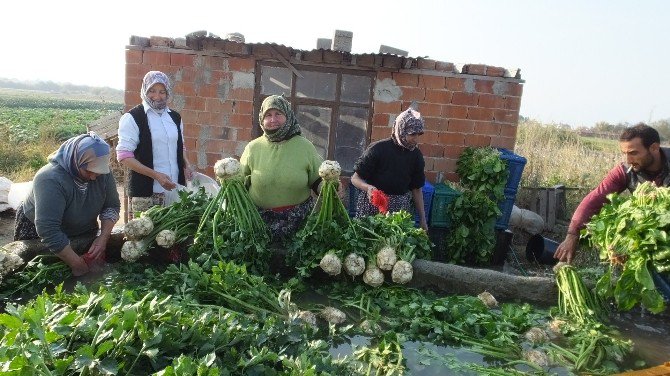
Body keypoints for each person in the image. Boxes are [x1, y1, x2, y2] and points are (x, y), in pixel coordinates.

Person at [555, 123, 670, 263]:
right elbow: (595, 199)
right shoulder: (625, 171)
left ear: (654, 148)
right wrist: (572, 234)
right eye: (625, 154)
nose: (628, 160)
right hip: (651, 234)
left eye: (633, 153)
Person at [13, 133, 120, 276]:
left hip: (82, 226)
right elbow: (48, 229)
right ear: (77, 161)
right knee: (40, 274)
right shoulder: (49, 179)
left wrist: (103, 238)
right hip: (39, 231)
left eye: (98, 172)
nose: (94, 177)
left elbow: (111, 206)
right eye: (88, 171)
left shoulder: (103, 173)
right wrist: (77, 263)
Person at [240, 95, 323, 242]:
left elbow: (317, 181)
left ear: (288, 116)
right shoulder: (253, 148)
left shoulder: (305, 147)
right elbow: (240, 181)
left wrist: (330, 187)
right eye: (268, 115)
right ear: (262, 119)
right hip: (258, 224)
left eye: (278, 114)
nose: (273, 120)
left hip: (298, 224)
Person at [116, 71, 193, 215]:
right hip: (146, 195)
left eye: (162, 92)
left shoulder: (175, 118)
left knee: (173, 236)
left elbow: (180, 145)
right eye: (152, 90)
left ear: (168, 92)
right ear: (144, 90)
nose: (157, 96)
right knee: (146, 235)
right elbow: (124, 156)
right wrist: (156, 175)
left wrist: (186, 164)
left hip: (175, 191)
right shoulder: (133, 118)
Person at [350, 107, 429, 231]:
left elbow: (416, 189)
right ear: (401, 130)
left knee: (392, 246)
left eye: (419, 134)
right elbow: (355, 178)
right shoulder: (378, 149)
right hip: (372, 205)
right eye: (412, 134)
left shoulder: (416, 155)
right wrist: (368, 188)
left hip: (398, 211)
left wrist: (423, 220)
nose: (416, 138)